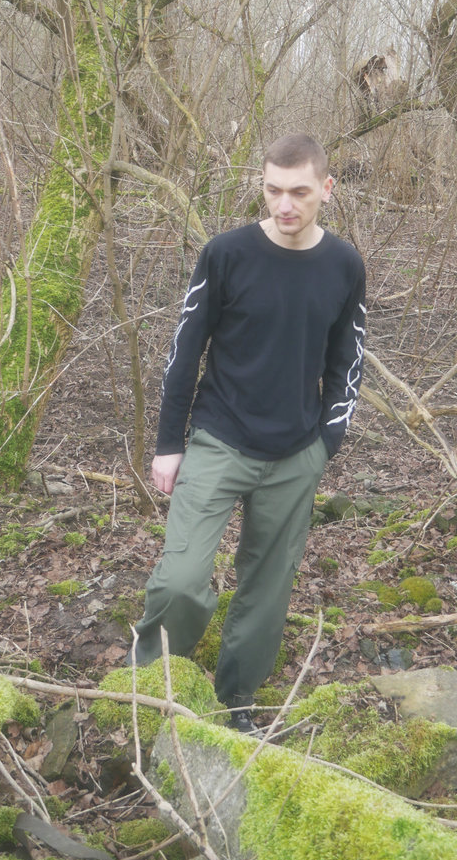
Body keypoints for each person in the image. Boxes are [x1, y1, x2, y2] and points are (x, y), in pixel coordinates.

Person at [134, 133, 366, 732]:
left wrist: (326, 443)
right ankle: (151, 686)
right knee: (181, 581)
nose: (284, 205)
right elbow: (185, 349)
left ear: (327, 189)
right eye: (272, 190)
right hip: (220, 439)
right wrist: (168, 443)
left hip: (296, 453)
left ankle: (236, 702)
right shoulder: (227, 254)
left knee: (267, 593)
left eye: (299, 192)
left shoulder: (344, 265)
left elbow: (348, 360)